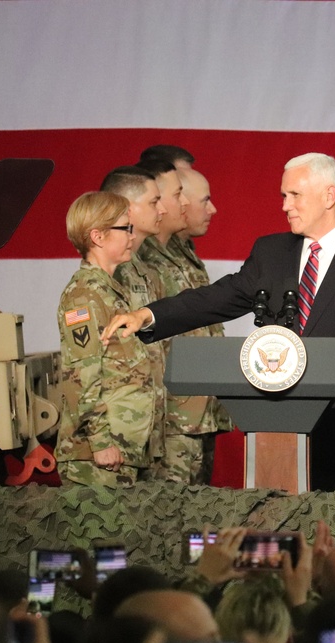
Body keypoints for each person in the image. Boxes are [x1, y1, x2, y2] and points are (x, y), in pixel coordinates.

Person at [101, 153, 335, 491]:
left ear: (329, 196)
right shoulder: (271, 252)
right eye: (284, 195)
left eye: (294, 195)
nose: (285, 205)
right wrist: (148, 315)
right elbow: (219, 298)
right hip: (275, 426)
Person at [136, 159, 226, 484]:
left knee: (198, 517)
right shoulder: (139, 258)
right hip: (169, 416)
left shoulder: (181, 251)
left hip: (196, 409)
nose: (186, 204)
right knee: (170, 520)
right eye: (177, 194)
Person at [55, 191, 155, 488]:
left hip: (122, 450)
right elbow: (81, 375)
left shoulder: (110, 290)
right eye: (125, 228)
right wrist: (99, 441)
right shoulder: (84, 294)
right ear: (97, 236)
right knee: (99, 535)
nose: (132, 236)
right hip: (96, 456)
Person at [100, 166, 169, 481]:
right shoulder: (107, 273)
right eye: (155, 202)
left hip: (145, 432)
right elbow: (89, 364)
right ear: (128, 209)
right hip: (117, 433)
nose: (163, 209)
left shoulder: (145, 270)